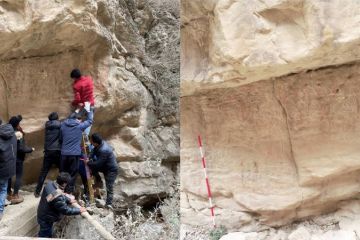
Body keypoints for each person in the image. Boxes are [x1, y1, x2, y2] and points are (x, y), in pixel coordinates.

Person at [37, 172, 86, 238]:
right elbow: (66, 210)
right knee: (45, 235)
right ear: (64, 183)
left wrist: (69, 200)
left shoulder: (51, 184)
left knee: (45, 232)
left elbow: (58, 194)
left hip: (43, 213)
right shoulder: (57, 197)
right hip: (46, 218)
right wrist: (79, 210)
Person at [60, 111, 93, 194]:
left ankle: (61, 191)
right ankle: (69, 192)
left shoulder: (63, 125)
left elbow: (60, 138)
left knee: (63, 173)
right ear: (76, 119)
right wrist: (89, 111)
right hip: (74, 154)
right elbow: (90, 121)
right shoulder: (79, 126)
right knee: (73, 173)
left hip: (63, 154)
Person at [7, 115, 34, 204]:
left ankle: (8, 193)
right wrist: (31, 149)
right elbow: (21, 148)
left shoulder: (6, 132)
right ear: (17, 124)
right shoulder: (18, 134)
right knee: (18, 176)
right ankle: (15, 194)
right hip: (18, 158)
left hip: (8, 157)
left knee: (9, 176)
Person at [87, 133, 118, 208]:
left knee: (109, 187)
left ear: (95, 142)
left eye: (91, 141)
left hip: (111, 170)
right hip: (104, 167)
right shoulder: (100, 143)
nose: (90, 142)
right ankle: (99, 180)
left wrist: (88, 162)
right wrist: (89, 156)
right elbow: (94, 150)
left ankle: (108, 205)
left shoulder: (104, 150)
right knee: (92, 165)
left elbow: (97, 164)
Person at [34, 112, 62, 197]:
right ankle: (62, 189)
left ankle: (37, 191)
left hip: (48, 151)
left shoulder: (47, 125)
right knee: (62, 171)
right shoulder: (60, 125)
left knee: (44, 172)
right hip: (57, 151)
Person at [0, 119, 17, 220]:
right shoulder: (13, 134)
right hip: (8, 168)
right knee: (2, 189)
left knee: (2, 189)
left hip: (2, 168)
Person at [70, 68, 95, 136]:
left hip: (84, 105)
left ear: (75, 77)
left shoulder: (76, 86)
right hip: (90, 103)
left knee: (75, 117)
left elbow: (78, 99)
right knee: (89, 121)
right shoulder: (89, 79)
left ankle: (81, 134)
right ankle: (85, 135)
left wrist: (73, 103)